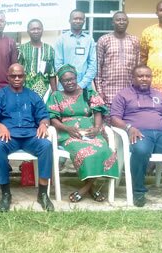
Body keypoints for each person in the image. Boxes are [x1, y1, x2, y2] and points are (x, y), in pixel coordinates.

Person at [110, 65, 162, 208]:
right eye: (140, 76)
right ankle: (139, 192)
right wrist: (129, 128)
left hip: (161, 134)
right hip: (139, 132)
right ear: (133, 78)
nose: (144, 79)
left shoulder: (158, 95)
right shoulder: (123, 95)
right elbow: (114, 119)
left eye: (148, 76)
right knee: (141, 151)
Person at [47, 64, 118, 202]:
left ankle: (85, 188)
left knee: (104, 150)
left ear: (76, 78)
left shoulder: (88, 92)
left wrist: (97, 128)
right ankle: (91, 188)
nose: (70, 82)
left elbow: (98, 111)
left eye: (72, 79)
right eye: (66, 80)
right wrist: (67, 129)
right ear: (60, 82)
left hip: (91, 131)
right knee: (83, 152)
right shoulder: (56, 96)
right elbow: (53, 119)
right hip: (68, 133)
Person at [0, 63, 54, 212]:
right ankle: (6, 193)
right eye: (13, 76)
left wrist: (44, 124)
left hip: (30, 136)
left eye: (20, 75)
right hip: (9, 136)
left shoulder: (32, 95)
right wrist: (1, 126)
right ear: (8, 77)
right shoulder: (1, 95)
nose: (17, 78)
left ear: (24, 77)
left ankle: (43, 194)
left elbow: (44, 116)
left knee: (46, 145)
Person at [95, 12, 140, 108]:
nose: (121, 22)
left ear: (128, 22)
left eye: (124, 20)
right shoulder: (104, 40)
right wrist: (99, 91)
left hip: (129, 91)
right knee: (109, 121)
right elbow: (98, 67)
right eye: (118, 20)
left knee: (128, 121)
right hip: (108, 92)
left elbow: (138, 67)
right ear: (112, 22)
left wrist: (137, 91)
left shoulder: (135, 40)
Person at [54, 10, 97, 90]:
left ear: (84, 21)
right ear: (69, 20)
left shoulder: (89, 40)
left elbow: (93, 65)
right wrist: (68, 83)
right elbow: (58, 65)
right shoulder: (61, 39)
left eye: (81, 19)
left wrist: (82, 84)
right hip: (65, 87)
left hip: (85, 87)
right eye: (75, 18)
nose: (78, 21)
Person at [18, 18, 56, 99]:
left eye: (38, 29)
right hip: (25, 91)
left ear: (42, 30)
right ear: (28, 31)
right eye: (33, 29)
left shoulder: (49, 49)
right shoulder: (22, 49)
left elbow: (52, 73)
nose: (36, 31)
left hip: (45, 92)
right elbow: (18, 72)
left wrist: (55, 93)